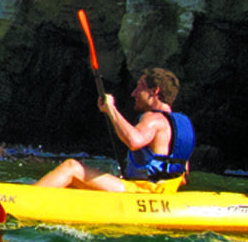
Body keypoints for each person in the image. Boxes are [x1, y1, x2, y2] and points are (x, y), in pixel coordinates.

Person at [37, 67, 193, 190]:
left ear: (154, 91)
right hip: (165, 192)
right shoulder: (182, 125)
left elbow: (134, 141)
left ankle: (19, 201)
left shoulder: (153, 119)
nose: (134, 94)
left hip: (142, 191)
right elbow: (183, 177)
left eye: (140, 88)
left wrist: (110, 108)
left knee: (71, 168)